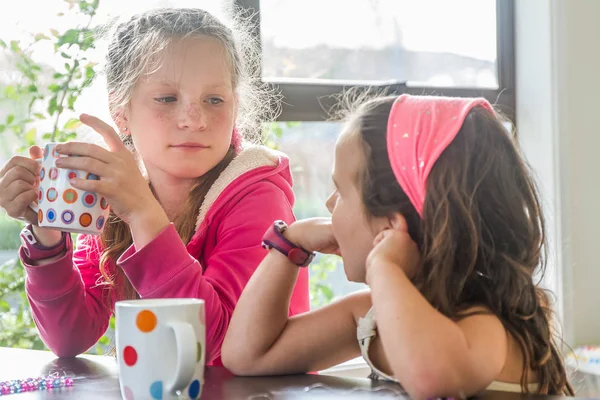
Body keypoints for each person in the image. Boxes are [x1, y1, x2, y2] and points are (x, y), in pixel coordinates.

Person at [0, 8, 309, 365]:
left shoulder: (258, 198)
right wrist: (47, 235)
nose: (193, 120)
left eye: (214, 99)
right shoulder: (117, 191)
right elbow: (69, 337)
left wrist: (142, 213)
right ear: (120, 111)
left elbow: (222, 349)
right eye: (167, 99)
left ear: (235, 107)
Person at [222, 94, 573, 398]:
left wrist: (383, 267)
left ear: (390, 226)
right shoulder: (371, 316)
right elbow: (248, 356)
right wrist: (289, 245)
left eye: (341, 192)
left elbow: (431, 379)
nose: (329, 205)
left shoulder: (485, 324)